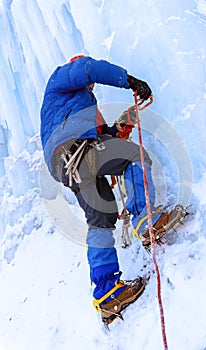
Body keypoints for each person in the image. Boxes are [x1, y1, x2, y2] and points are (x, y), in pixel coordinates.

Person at [40, 55, 185, 326]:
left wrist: (119, 128)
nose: (91, 84)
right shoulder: (60, 80)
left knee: (101, 218)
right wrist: (128, 80)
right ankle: (147, 220)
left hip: (69, 163)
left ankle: (106, 294)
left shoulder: (79, 109)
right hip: (75, 150)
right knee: (133, 156)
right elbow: (87, 69)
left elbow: (103, 140)